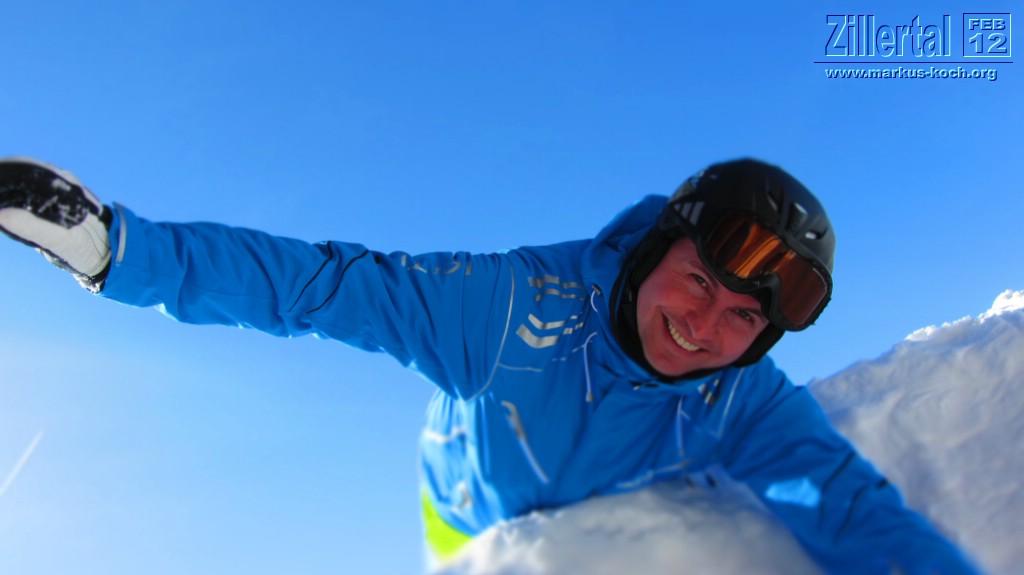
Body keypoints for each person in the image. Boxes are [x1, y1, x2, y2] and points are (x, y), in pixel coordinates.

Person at [0, 157, 980, 574]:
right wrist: (121, 251)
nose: (703, 326)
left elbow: (848, 503)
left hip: (619, 498)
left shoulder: (742, 396)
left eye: (741, 318)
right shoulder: (513, 309)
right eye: (697, 281)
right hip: (471, 511)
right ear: (658, 246)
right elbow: (319, 284)